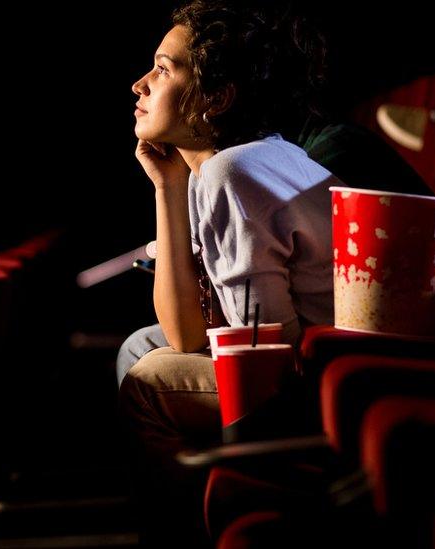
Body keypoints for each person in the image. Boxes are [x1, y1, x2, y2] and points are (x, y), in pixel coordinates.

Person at [116, 1, 350, 545]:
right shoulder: (230, 164)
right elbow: (187, 332)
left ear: (216, 99)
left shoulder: (231, 171)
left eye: (164, 69)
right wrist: (168, 187)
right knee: (138, 347)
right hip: (303, 356)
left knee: (145, 383)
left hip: (329, 376)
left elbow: (262, 351)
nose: (139, 85)